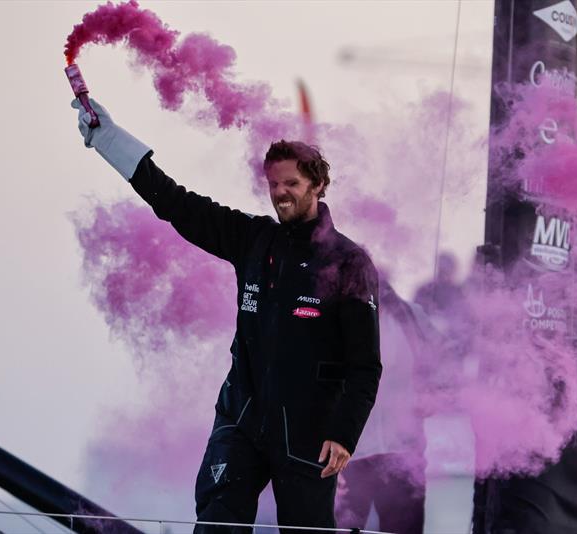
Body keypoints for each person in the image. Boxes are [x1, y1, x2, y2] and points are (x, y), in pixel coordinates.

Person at [70, 99, 382, 532]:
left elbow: (365, 365)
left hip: (308, 434)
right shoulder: (254, 239)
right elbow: (177, 204)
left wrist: (344, 434)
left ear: (319, 185)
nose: (280, 194)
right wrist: (108, 139)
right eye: (273, 184)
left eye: (291, 183)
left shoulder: (349, 262)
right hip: (242, 417)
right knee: (217, 522)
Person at [336, 278, 434, 534]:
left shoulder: (413, 316)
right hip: (349, 454)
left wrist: (433, 394)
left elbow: (441, 364)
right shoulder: (339, 317)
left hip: (403, 453)